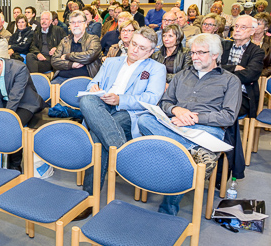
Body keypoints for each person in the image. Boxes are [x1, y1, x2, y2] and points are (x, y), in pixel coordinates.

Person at [137, 33, 242, 215]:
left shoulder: (230, 80)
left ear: (215, 54)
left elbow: (228, 116)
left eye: (200, 53)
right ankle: (192, 149)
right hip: (176, 125)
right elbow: (165, 102)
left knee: (177, 158)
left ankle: (167, 210)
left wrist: (195, 117)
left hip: (206, 129)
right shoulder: (182, 75)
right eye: (193, 52)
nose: (195, 57)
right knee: (144, 120)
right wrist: (177, 110)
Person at [79, 26, 166, 194]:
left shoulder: (156, 68)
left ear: (150, 52)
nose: (135, 49)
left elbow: (151, 99)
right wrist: (94, 88)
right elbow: (91, 83)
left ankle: (89, 195)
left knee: (98, 133)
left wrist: (121, 100)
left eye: (142, 48)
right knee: (86, 100)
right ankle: (124, 156)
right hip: (102, 105)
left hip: (129, 112)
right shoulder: (112, 61)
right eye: (134, 44)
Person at [220, 15, 265, 118]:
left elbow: (248, 76)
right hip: (218, 91)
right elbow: (212, 68)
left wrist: (222, 73)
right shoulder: (223, 46)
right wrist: (234, 68)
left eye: (243, 27)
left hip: (242, 95)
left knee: (222, 109)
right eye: (236, 26)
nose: (237, 30)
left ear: (252, 31)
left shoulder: (257, 52)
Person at [51, 11, 102, 86]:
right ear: (69, 25)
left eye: (79, 22)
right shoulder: (65, 41)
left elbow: (89, 56)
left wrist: (67, 56)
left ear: (85, 24)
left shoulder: (93, 39)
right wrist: (71, 64)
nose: (76, 25)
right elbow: (54, 61)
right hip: (62, 79)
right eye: (73, 22)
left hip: (85, 79)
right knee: (46, 93)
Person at [253, 13, 271, 77]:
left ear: (266, 27)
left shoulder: (269, 42)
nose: (255, 26)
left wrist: (258, 76)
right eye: (254, 23)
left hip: (261, 77)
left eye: (259, 24)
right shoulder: (245, 39)